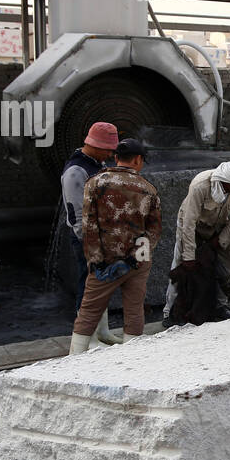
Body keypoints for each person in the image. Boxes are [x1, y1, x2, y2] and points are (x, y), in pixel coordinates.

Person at [70, 138, 161, 353]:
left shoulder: (95, 182)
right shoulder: (148, 189)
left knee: (88, 311)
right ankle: (131, 361)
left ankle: (74, 358)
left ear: (116, 157)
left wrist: (96, 261)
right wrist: (134, 259)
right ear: (138, 160)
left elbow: (89, 226)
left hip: (103, 260)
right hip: (136, 263)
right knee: (134, 311)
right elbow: (154, 233)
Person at [165, 162, 230, 321]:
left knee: (227, 265)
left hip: (220, 228)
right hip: (193, 226)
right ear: (225, 183)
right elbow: (189, 222)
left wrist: (221, 240)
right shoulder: (200, 186)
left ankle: (220, 307)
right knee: (180, 267)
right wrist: (189, 256)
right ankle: (170, 312)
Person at [61, 121, 118, 343]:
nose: (111, 153)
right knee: (88, 285)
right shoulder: (76, 171)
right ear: (95, 145)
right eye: (108, 149)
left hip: (103, 235)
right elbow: (75, 212)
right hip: (86, 238)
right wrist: (89, 242)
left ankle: (102, 331)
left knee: (102, 283)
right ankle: (86, 337)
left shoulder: (96, 163)